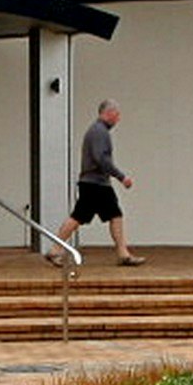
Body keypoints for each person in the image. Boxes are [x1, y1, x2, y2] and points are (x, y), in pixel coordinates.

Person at [54, 98, 145, 265]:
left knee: (108, 215)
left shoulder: (98, 131)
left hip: (95, 182)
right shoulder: (99, 132)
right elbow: (101, 158)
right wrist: (121, 176)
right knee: (85, 216)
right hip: (95, 183)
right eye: (116, 115)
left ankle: (122, 253)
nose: (118, 119)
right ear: (108, 113)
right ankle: (55, 249)